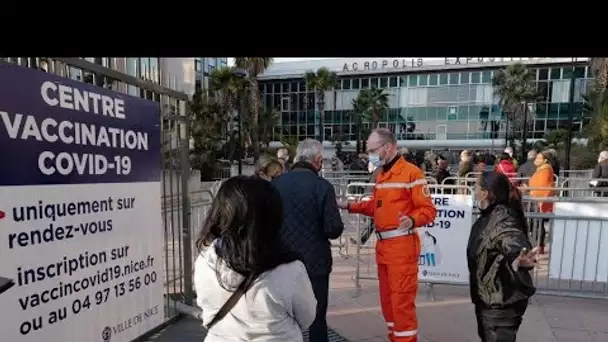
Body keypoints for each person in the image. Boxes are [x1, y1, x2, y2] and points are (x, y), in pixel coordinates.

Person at [339, 128, 437, 342]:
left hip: (401, 248)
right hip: (384, 249)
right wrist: (350, 206)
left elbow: (428, 210)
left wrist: (412, 220)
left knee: (401, 304)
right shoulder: (382, 174)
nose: (369, 154)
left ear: (388, 147)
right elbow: (377, 205)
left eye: (372, 150)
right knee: (388, 303)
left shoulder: (411, 173)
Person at [194, 176, 317, 341]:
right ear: (272, 217)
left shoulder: (205, 260)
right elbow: (307, 316)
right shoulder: (290, 269)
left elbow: (204, 305)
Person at [272, 139, 344, 342]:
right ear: (318, 160)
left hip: (282, 261)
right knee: (317, 317)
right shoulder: (323, 187)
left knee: (282, 316)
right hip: (315, 263)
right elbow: (333, 229)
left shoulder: (276, 185)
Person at [468, 171, 537, 342]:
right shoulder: (489, 216)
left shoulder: (502, 219)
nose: (473, 190)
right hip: (491, 299)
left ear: (484, 193)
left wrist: (517, 259)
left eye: (475, 186)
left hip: (500, 302)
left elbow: (512, 239)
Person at [528, 151, 555, 255]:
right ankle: (538, 245)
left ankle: (539, 246)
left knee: (537, 224)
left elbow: (543, 186)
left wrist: (540, 200)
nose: (536, 160)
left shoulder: (545, 169)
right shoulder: (542, 169)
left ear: (545, 160)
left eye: (539, 158)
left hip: (539, 201)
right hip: (537, 199)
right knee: (536, 223)